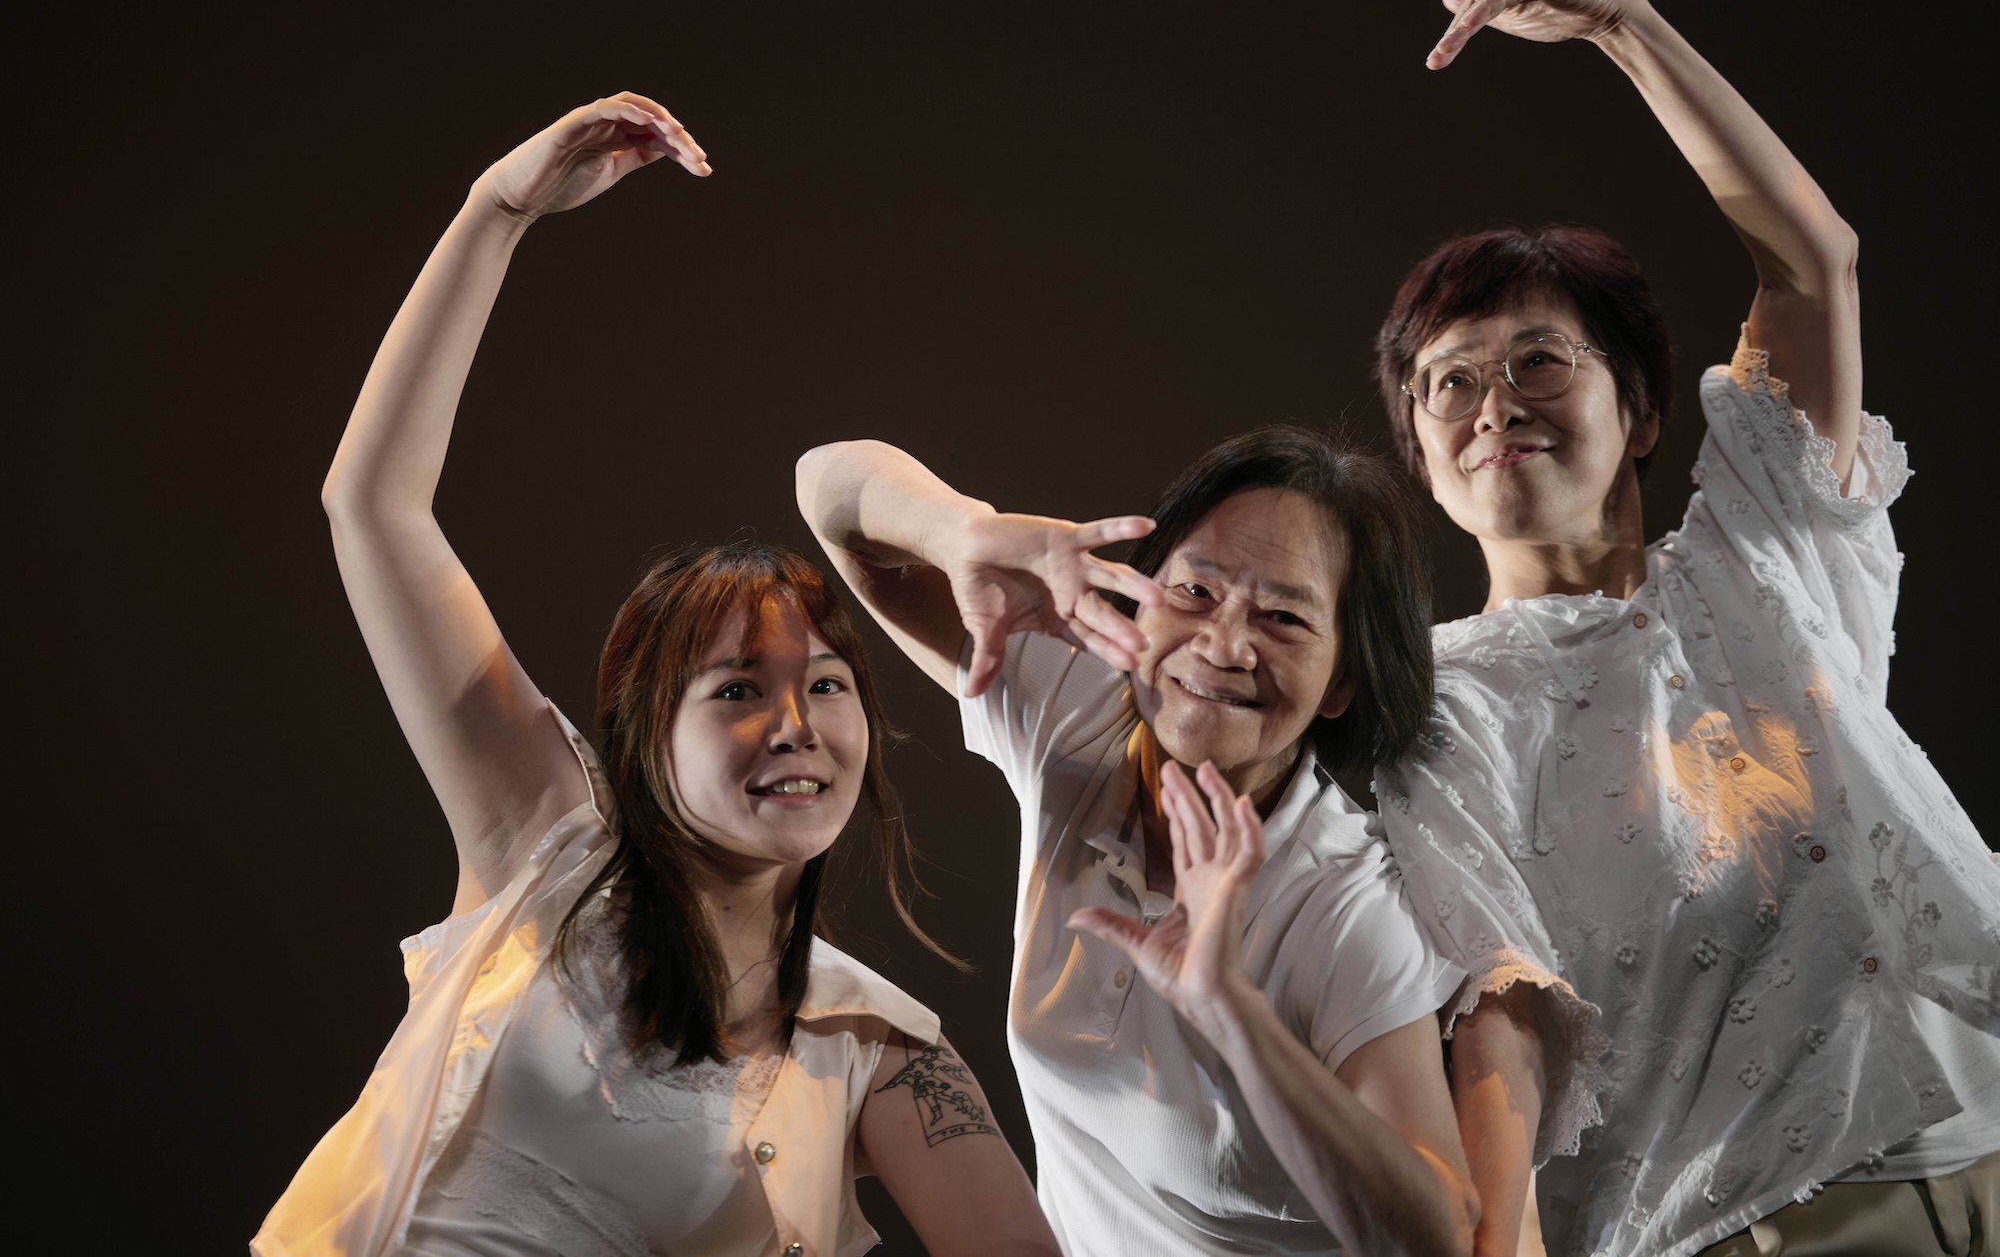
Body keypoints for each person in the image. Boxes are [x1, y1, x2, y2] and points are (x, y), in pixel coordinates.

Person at [253, 94, 1059, 1257]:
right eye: (736, 688)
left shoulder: (876, 1047)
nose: (795, 723)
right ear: (645, 732)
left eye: (828, 683)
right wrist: (496, 213)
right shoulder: (545, 847)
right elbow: (373, 507)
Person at [1369, 0, 2000, 1257]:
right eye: (1448, 381)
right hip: (1753, 1222)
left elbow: (1813, 261)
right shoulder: (1427, 708)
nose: (1495, 400)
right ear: (1423, 461)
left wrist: (1626, 25)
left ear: (1642, 411)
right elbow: (1493, 1019)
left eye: (1539, 357)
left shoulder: (1763, 543)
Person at [797, 426, 1482, 1255]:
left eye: (1283, 617)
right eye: (1194, 590)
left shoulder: (1343, 905)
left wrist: (1231, 1010)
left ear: (1341, 681)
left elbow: (1439, 1235)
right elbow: (826, 486)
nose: (1222, 644)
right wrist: (962, 533)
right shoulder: (1080, 716)